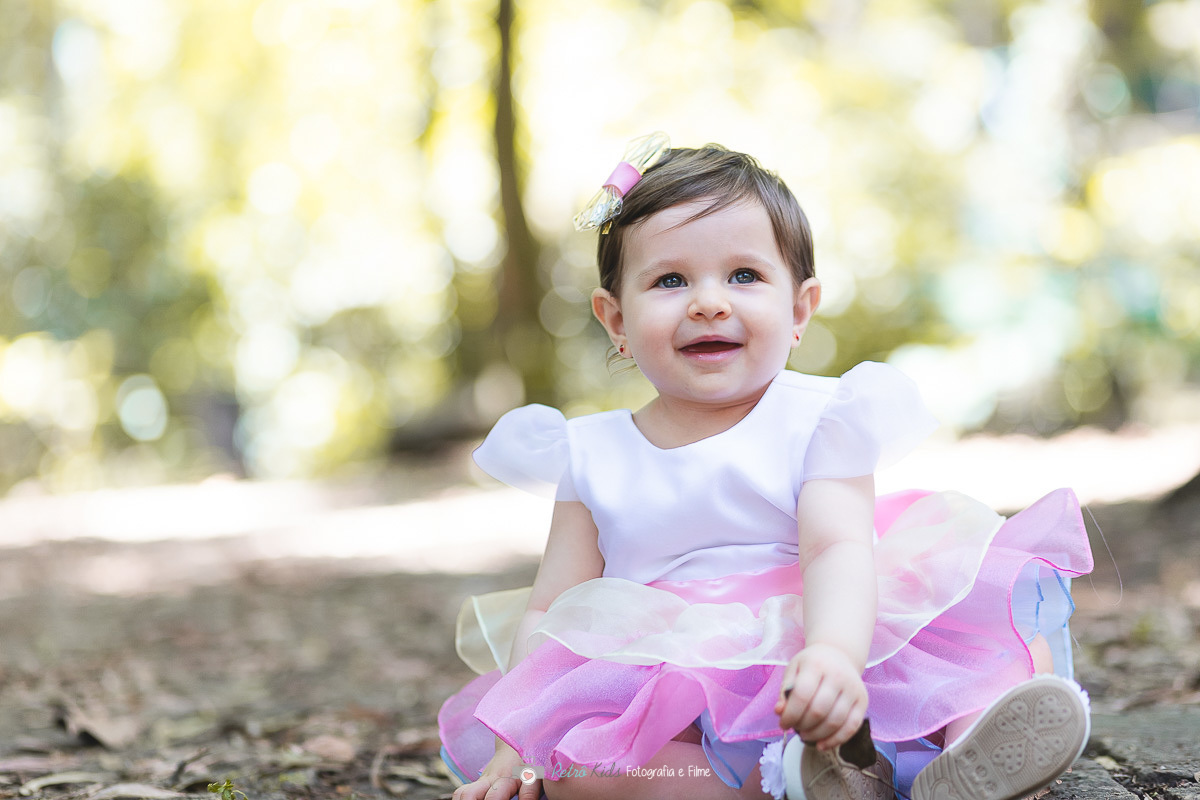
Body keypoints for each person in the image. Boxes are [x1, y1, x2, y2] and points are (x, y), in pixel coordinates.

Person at [437, 134, 1095, 800]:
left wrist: (836, 655)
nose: (708, 302)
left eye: (744, 276)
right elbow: (552, 607)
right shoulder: (592, 454)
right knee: (582, 775)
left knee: (999, 644)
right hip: (671, 677)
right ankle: (801, 783)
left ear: (799, 308)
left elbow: (836, 547)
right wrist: (512, 747)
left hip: (825, 627)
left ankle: (963, 763)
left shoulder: (823, 418)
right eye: (670, 280)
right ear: (615, 320)